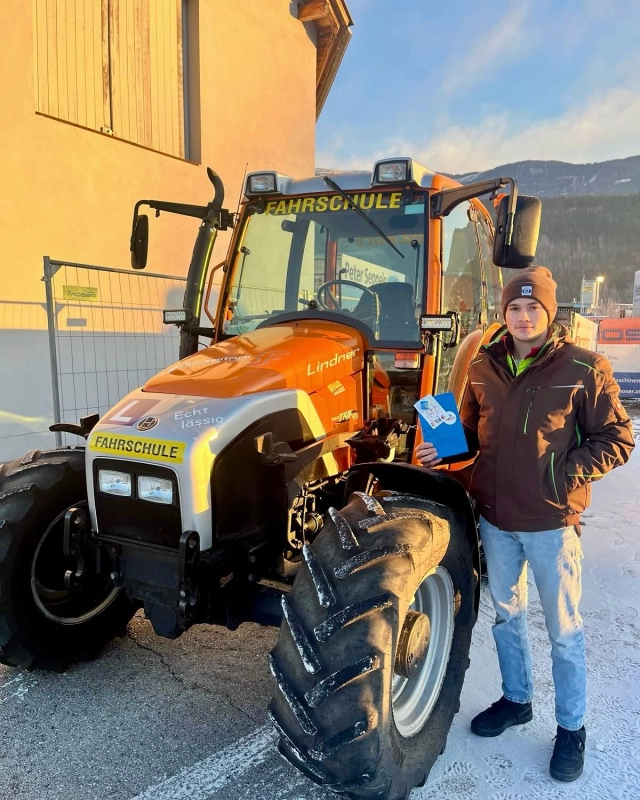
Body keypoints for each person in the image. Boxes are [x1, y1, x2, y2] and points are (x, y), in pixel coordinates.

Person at [416, 266, 635, 782]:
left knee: (564, 630)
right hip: (496, 520)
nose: (522, 316)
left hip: (550, 522)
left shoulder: (584, 367)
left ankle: (571, 728)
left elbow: (618, 438)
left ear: (549, 313)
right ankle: (517, 700)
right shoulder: (483, 365)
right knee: (507, 617)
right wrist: (440, 451)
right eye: (514, 307)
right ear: (505, 313)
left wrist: (563, 474)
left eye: (533, 307)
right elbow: (470, 434)